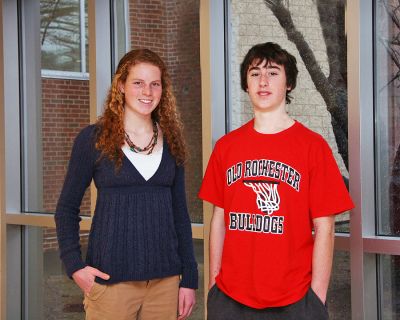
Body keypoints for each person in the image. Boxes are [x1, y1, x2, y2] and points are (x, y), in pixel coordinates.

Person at [198, 42, 354, 320]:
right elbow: (218, 219)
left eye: (273, 72)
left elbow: (325, 228)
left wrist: (316, 299)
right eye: (254, 73)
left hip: (295, 300)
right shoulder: (226, 147)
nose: (263, 81)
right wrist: (214, 286)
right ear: (246, 83)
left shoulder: (312, 147)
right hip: (231, 298)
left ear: (289, 83)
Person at [55, 48, 198, 320]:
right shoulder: (93, 139)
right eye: (138, 82)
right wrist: (75, 267)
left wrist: (189, 278)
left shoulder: (172, 142)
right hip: (110, 283)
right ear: (121, 85)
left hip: (165, 284)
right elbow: (66, 209)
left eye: (155, 84)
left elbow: (180, 215)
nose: (147, 91)